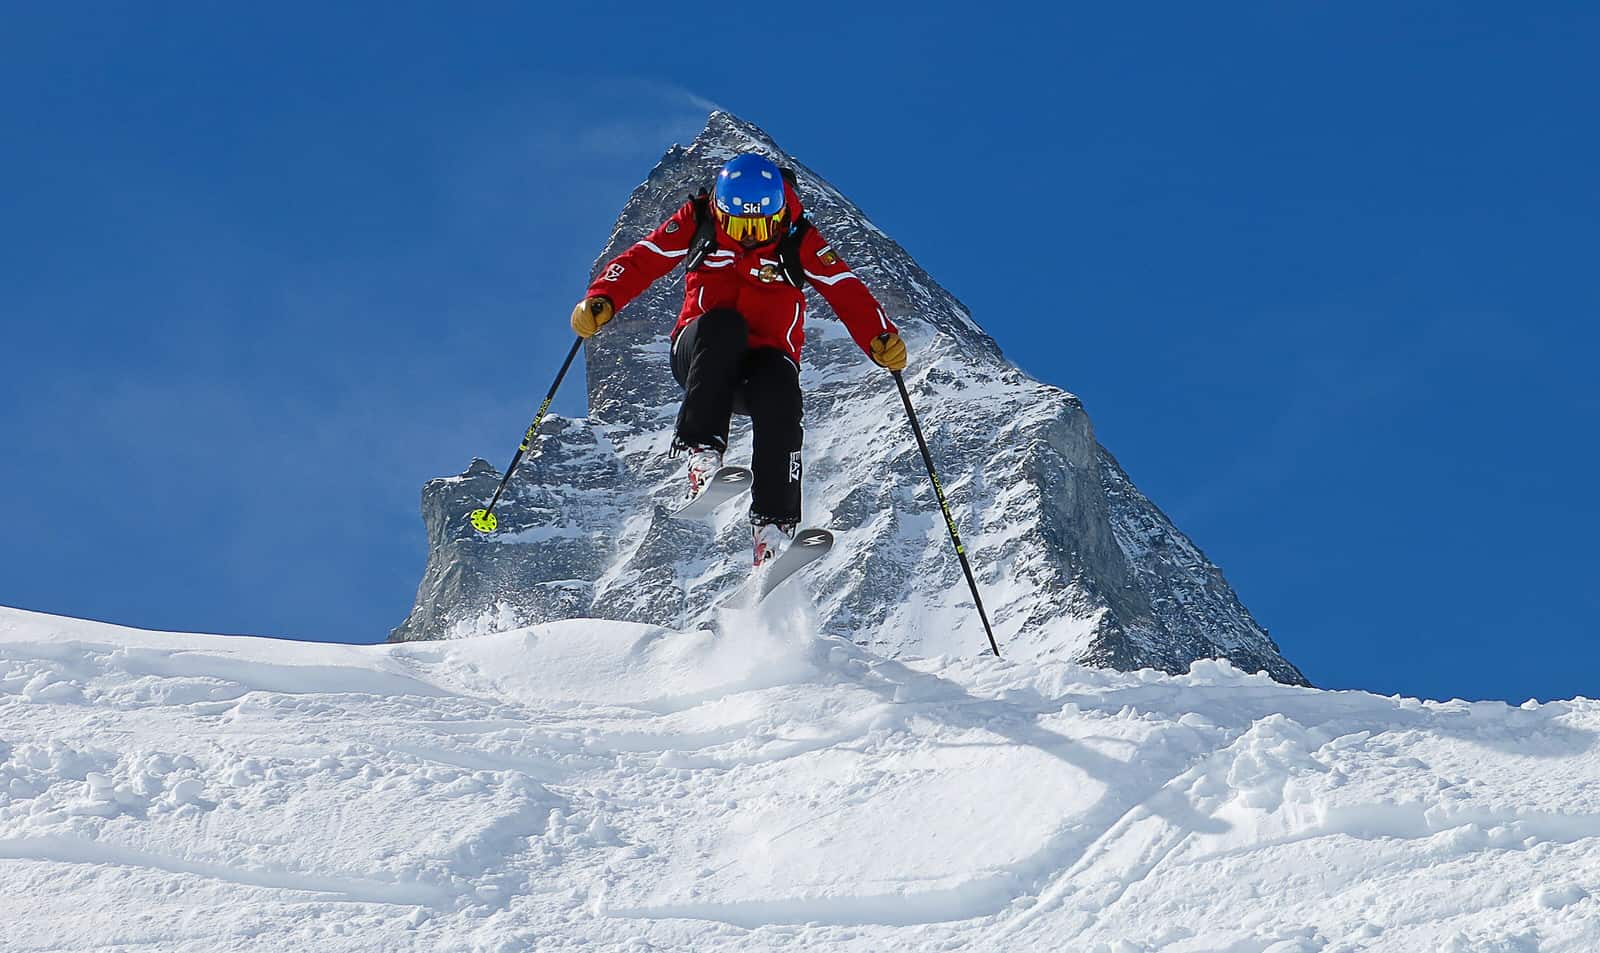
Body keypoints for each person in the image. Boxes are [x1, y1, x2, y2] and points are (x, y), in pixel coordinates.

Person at [569, 153, 907, 567]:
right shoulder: (699, 220)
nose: (748, 236)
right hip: (700, 354)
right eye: (739, 225)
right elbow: (646, 257)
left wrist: (879, 335)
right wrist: (603, 297)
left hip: (761, 364)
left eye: (760, 226)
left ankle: (772, 528)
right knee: (724, 325)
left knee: (781, 386)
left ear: (778, 213)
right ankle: (702, 453)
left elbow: (845, 288)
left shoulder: (797, 237)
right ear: (721, 211)